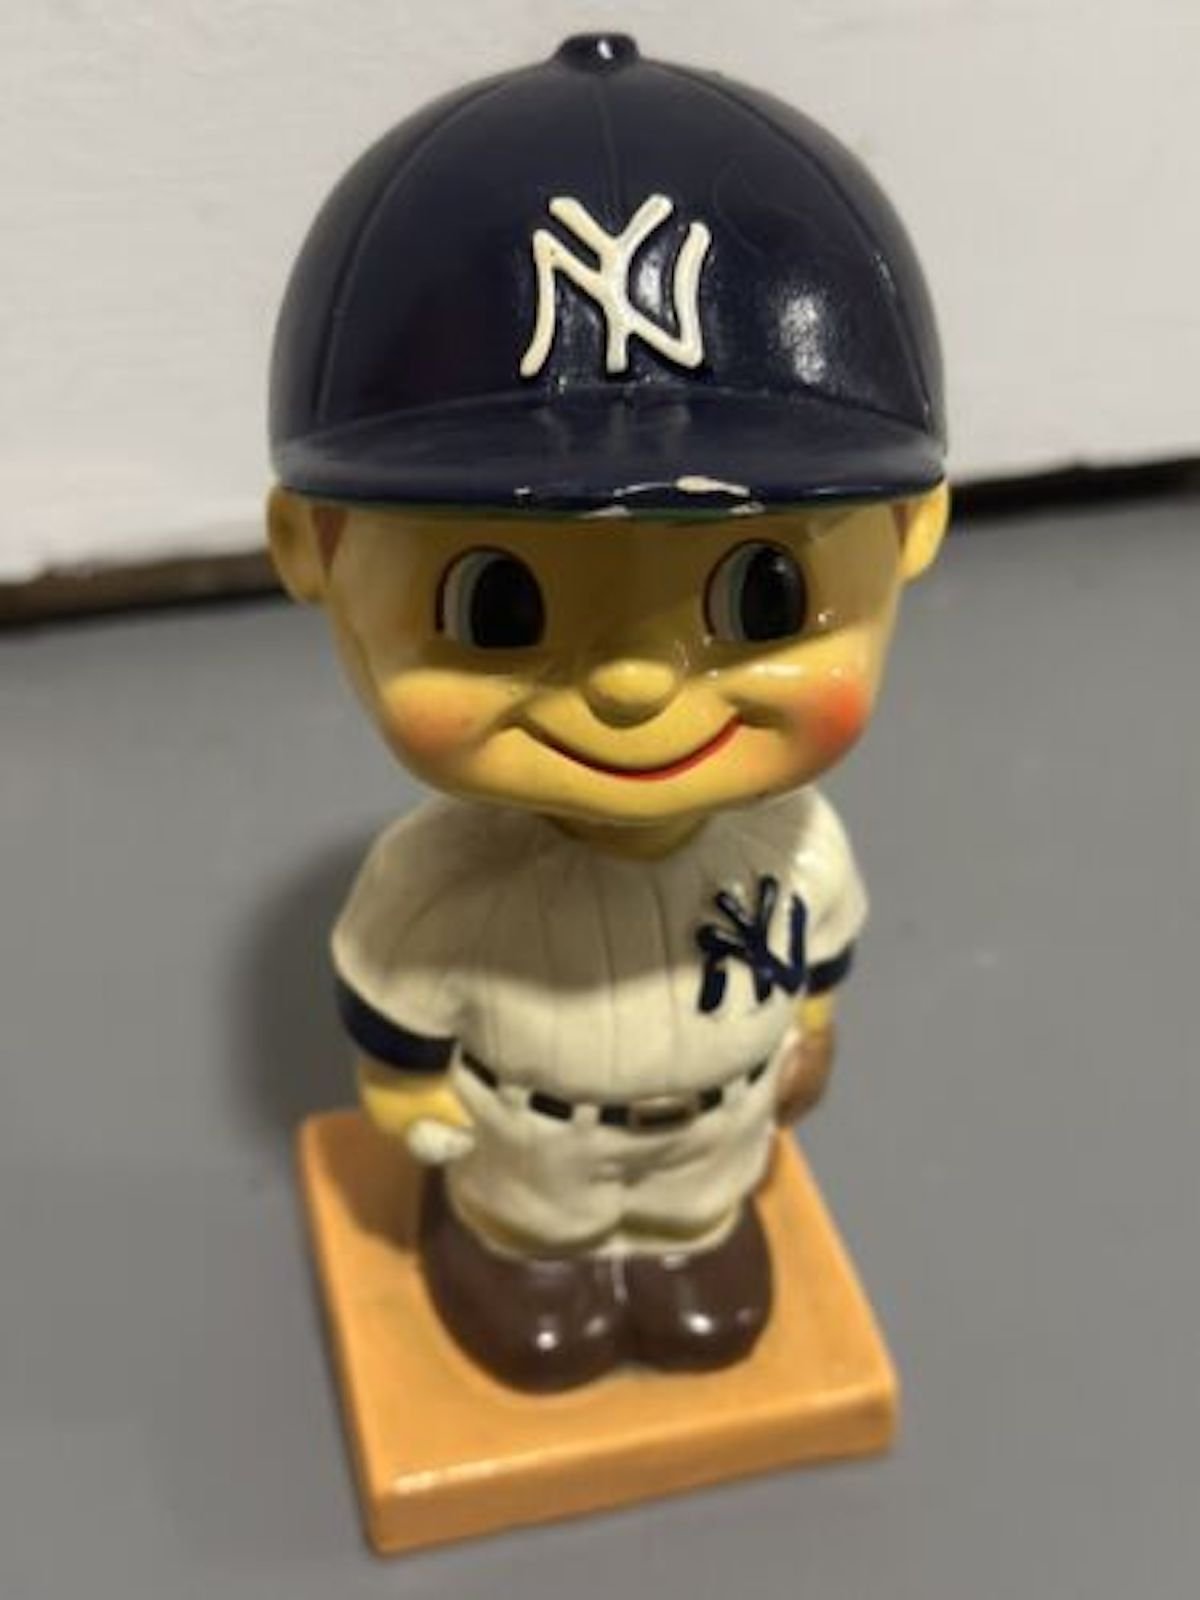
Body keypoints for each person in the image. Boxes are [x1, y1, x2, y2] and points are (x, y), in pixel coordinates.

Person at [267, 33, 949, 1391]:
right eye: (501, 607)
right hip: (532, 1147)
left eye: (763, 595)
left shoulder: (797, 847)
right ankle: (526, 1256)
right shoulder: (437, 881)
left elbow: (814, 963)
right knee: (537, 1249)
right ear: (317, 551)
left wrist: (809, 1029)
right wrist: (405, 1093)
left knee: (706, 1252)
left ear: (914, 529)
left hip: (717, 1133)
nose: (636, 683)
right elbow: (397, 1005)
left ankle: (689, 1239)